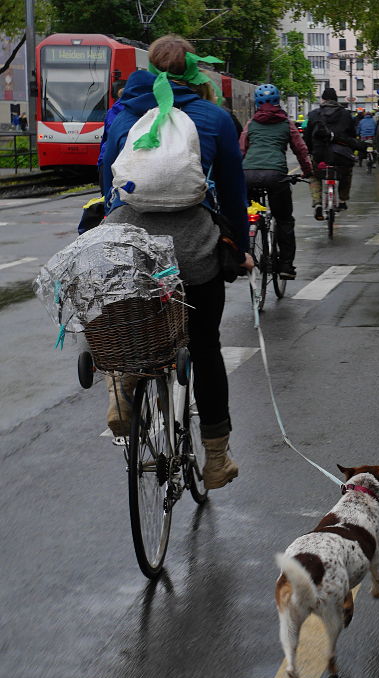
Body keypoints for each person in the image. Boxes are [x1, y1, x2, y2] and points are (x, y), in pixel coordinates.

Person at [101, 34, 251, 489]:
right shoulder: (214, 117)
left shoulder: (124, 114)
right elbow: (232, 190)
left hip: (129, 243)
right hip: (194, 250)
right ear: (194, 70)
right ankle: (216, 458)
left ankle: (124, 388)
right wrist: (239, 247)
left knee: (130, 320)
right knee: (204, 347)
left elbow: (107, 176)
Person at [239, 83, 312, 280]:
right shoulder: (286, 123)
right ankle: (286, 266)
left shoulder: (251, 123)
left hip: (249, 175)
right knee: (284, 220)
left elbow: (241, 150)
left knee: (245, 214)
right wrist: (307, 171)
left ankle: (242, 255)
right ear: (278, 101)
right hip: (276, 176)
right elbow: (300, 149)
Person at [303, 87, 359, 219]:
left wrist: (310, 152)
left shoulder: (313, 114)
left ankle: (317, 203)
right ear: (336, 99)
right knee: (346, 173)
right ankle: (342, 200)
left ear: (322, 99)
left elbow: (307, 137)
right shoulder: (346, 114)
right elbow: (353, 135)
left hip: (319, 154)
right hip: (342, 155)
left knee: (314, 176)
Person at [97, 79, 127, 193]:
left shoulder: (112, 111)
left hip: (106, 159)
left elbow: (107, 136)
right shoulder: (140, 110)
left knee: (107, 196)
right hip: (123, 160)